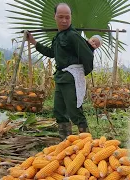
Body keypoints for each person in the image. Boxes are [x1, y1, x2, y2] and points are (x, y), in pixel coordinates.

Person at [27, 3, 95, 140]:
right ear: (55, 17)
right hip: (60, 77)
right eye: (60, 17)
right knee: (59, 110)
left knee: (74, 110)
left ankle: (86, 141)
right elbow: (52, 53)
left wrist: (81, 73)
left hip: (71, 77)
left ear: (71, 18)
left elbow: (88, 54)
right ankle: (65, 141)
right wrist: (34, 42)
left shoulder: (72, 36)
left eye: (67, 17)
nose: (64, 21)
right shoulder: (58, 37)